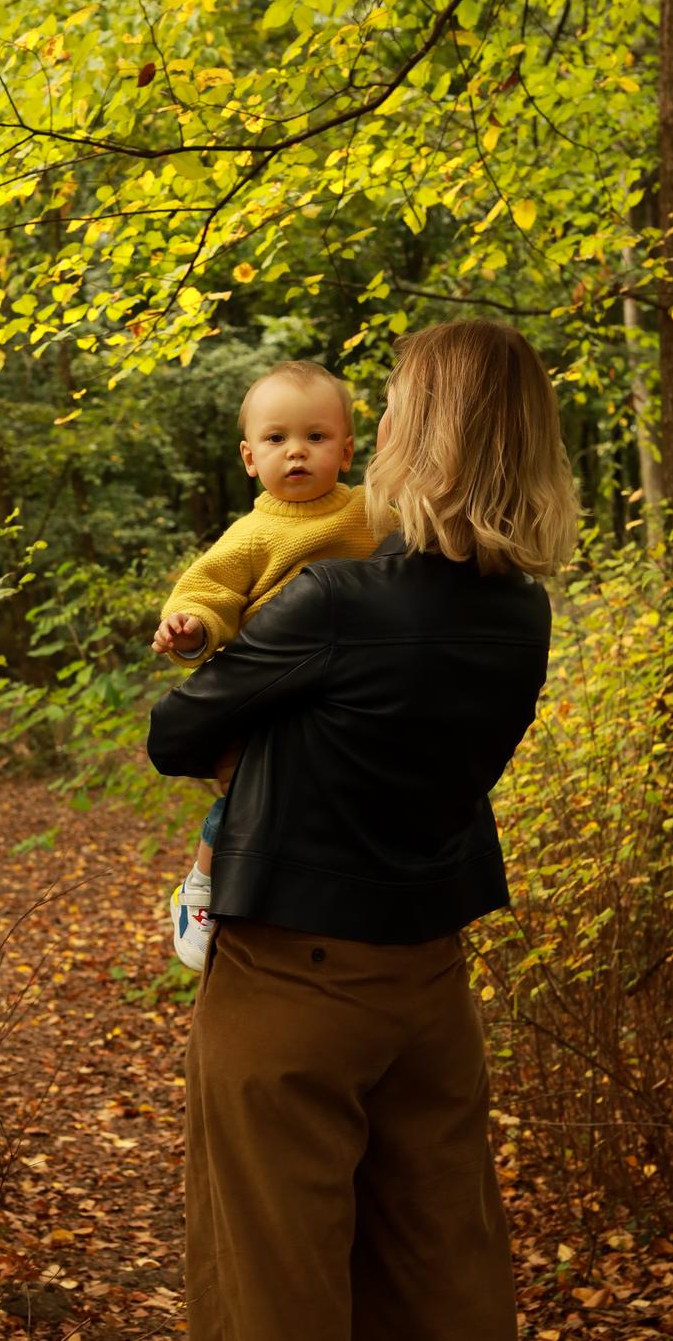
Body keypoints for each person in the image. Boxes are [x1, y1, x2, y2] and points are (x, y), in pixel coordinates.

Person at [147, 320, 580, 1341]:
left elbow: (175, 729)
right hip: (429, 979)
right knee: (442, 1272)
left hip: (290, 977)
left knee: (274, 1284)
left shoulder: (331, 598)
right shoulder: (522, 610)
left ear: (407, 432)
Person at [151, 360, 383, 971]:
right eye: (277, 439)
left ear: (348, 450)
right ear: (250, 457)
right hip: (268, 694)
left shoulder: (370, 511)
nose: (297, 453)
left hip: (347, 690)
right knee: (251, 792)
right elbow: (207, 591)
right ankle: (200, 886)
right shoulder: (252, 535)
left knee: (325, 794)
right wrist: (190, 625)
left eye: (316, 437)